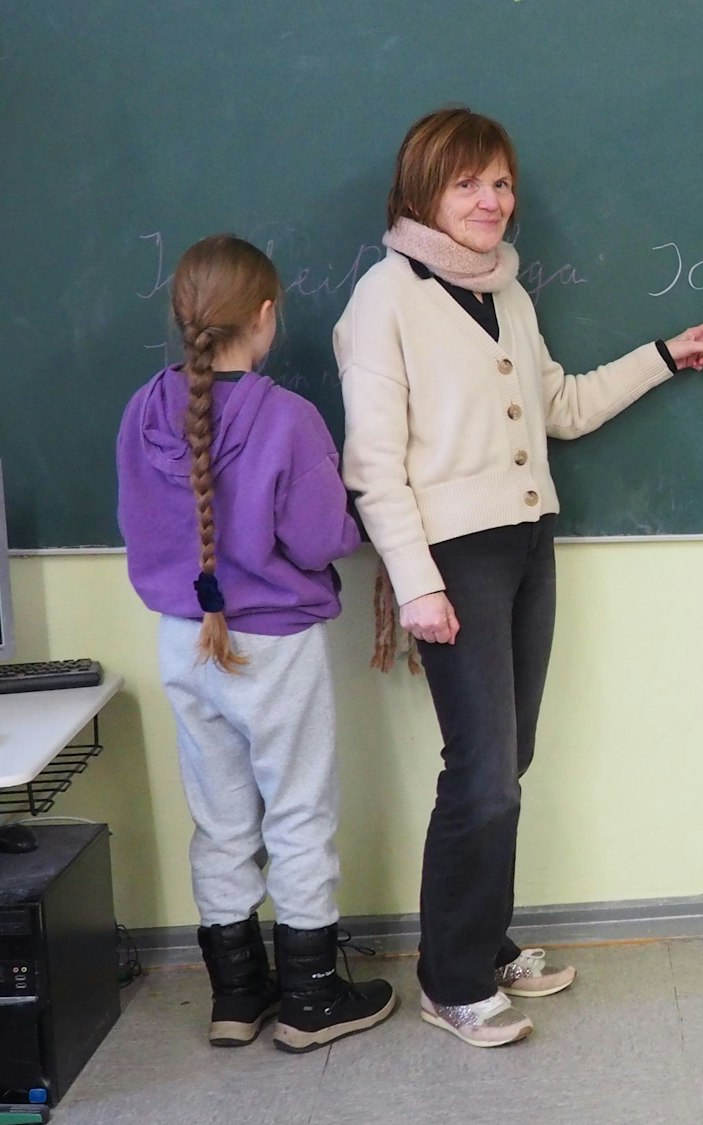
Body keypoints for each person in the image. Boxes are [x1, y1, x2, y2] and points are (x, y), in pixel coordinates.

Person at [335, 107, 703, 1045]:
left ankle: (483, 940)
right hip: (453, 556)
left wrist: (662, 358)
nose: (492, 201)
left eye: (502, 183)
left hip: (526, 541)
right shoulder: (384, 300)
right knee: (483, 774)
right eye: (469, 183)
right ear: (423, 191)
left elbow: (559, 406)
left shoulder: (505, 292)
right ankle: (451, 979)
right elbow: (372, 465)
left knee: (506, 762)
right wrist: (416, 581)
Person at [117, 234, 395, 1052]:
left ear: (184, 317)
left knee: (220, 818)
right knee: (299, 810)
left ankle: (237, 995)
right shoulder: (288, 418)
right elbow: (319, 537)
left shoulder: (142, 410)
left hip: (184, 639)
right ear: (266, 316)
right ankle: (311, 997)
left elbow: (138, 523)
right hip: (273, 643)